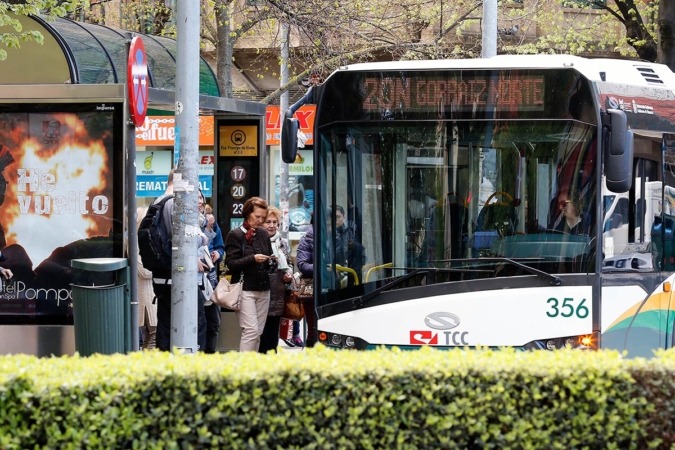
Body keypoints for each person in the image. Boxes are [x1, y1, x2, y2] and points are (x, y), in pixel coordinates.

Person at [151, 170, 207, 352]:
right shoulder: (175, 203)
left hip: (163, 274)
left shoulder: (158, 202)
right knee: (196, 322)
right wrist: (201, 233)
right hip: (178, 276)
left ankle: (165, 367)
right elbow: (188, 240)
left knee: (166, 324)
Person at [224, 196, 276, 352]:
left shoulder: (263, 234)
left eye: (262, 217)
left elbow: (269, 258)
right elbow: (231, 264)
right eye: (257, 217)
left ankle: (253, 366)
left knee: (258, 332)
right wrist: (252, 259)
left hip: (264, 289)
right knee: (251, 331)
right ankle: (244, 369)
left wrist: (272, 262)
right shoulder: (236, 235)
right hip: (245, 289)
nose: (260, 220)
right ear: (247, 214)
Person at [258, 207, 293, 354]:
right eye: (268, 222)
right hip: (261, 292)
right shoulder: (257, 241)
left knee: (273, 333)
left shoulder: (283, 243)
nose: (272, 225)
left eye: (275, 222)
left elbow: (289, 264)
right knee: (260, 332)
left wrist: (289, 273)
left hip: (278, 294)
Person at [198, 192, 225, 354]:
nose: (199, 201)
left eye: (201, 198)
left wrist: (218, 254)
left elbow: (221, 246)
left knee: (213, 320)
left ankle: (210, 353)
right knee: (198, 320)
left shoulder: (211, 222)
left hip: (211, 278)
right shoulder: (187, 221)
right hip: (195, 278)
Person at [136, 206, 157, 350]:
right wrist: (161, 267)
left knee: (151, 336)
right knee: (153, 335)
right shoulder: (136, 241)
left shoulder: (148, 238)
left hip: (152, 294)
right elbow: (144, 271)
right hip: (146, 295)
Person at [295, 213, 316, 347]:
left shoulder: (340, 235)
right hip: (313, 287)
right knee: (313, 327)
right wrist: (321, 268)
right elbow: (302, 264)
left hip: (337, 285)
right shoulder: (308, 237)